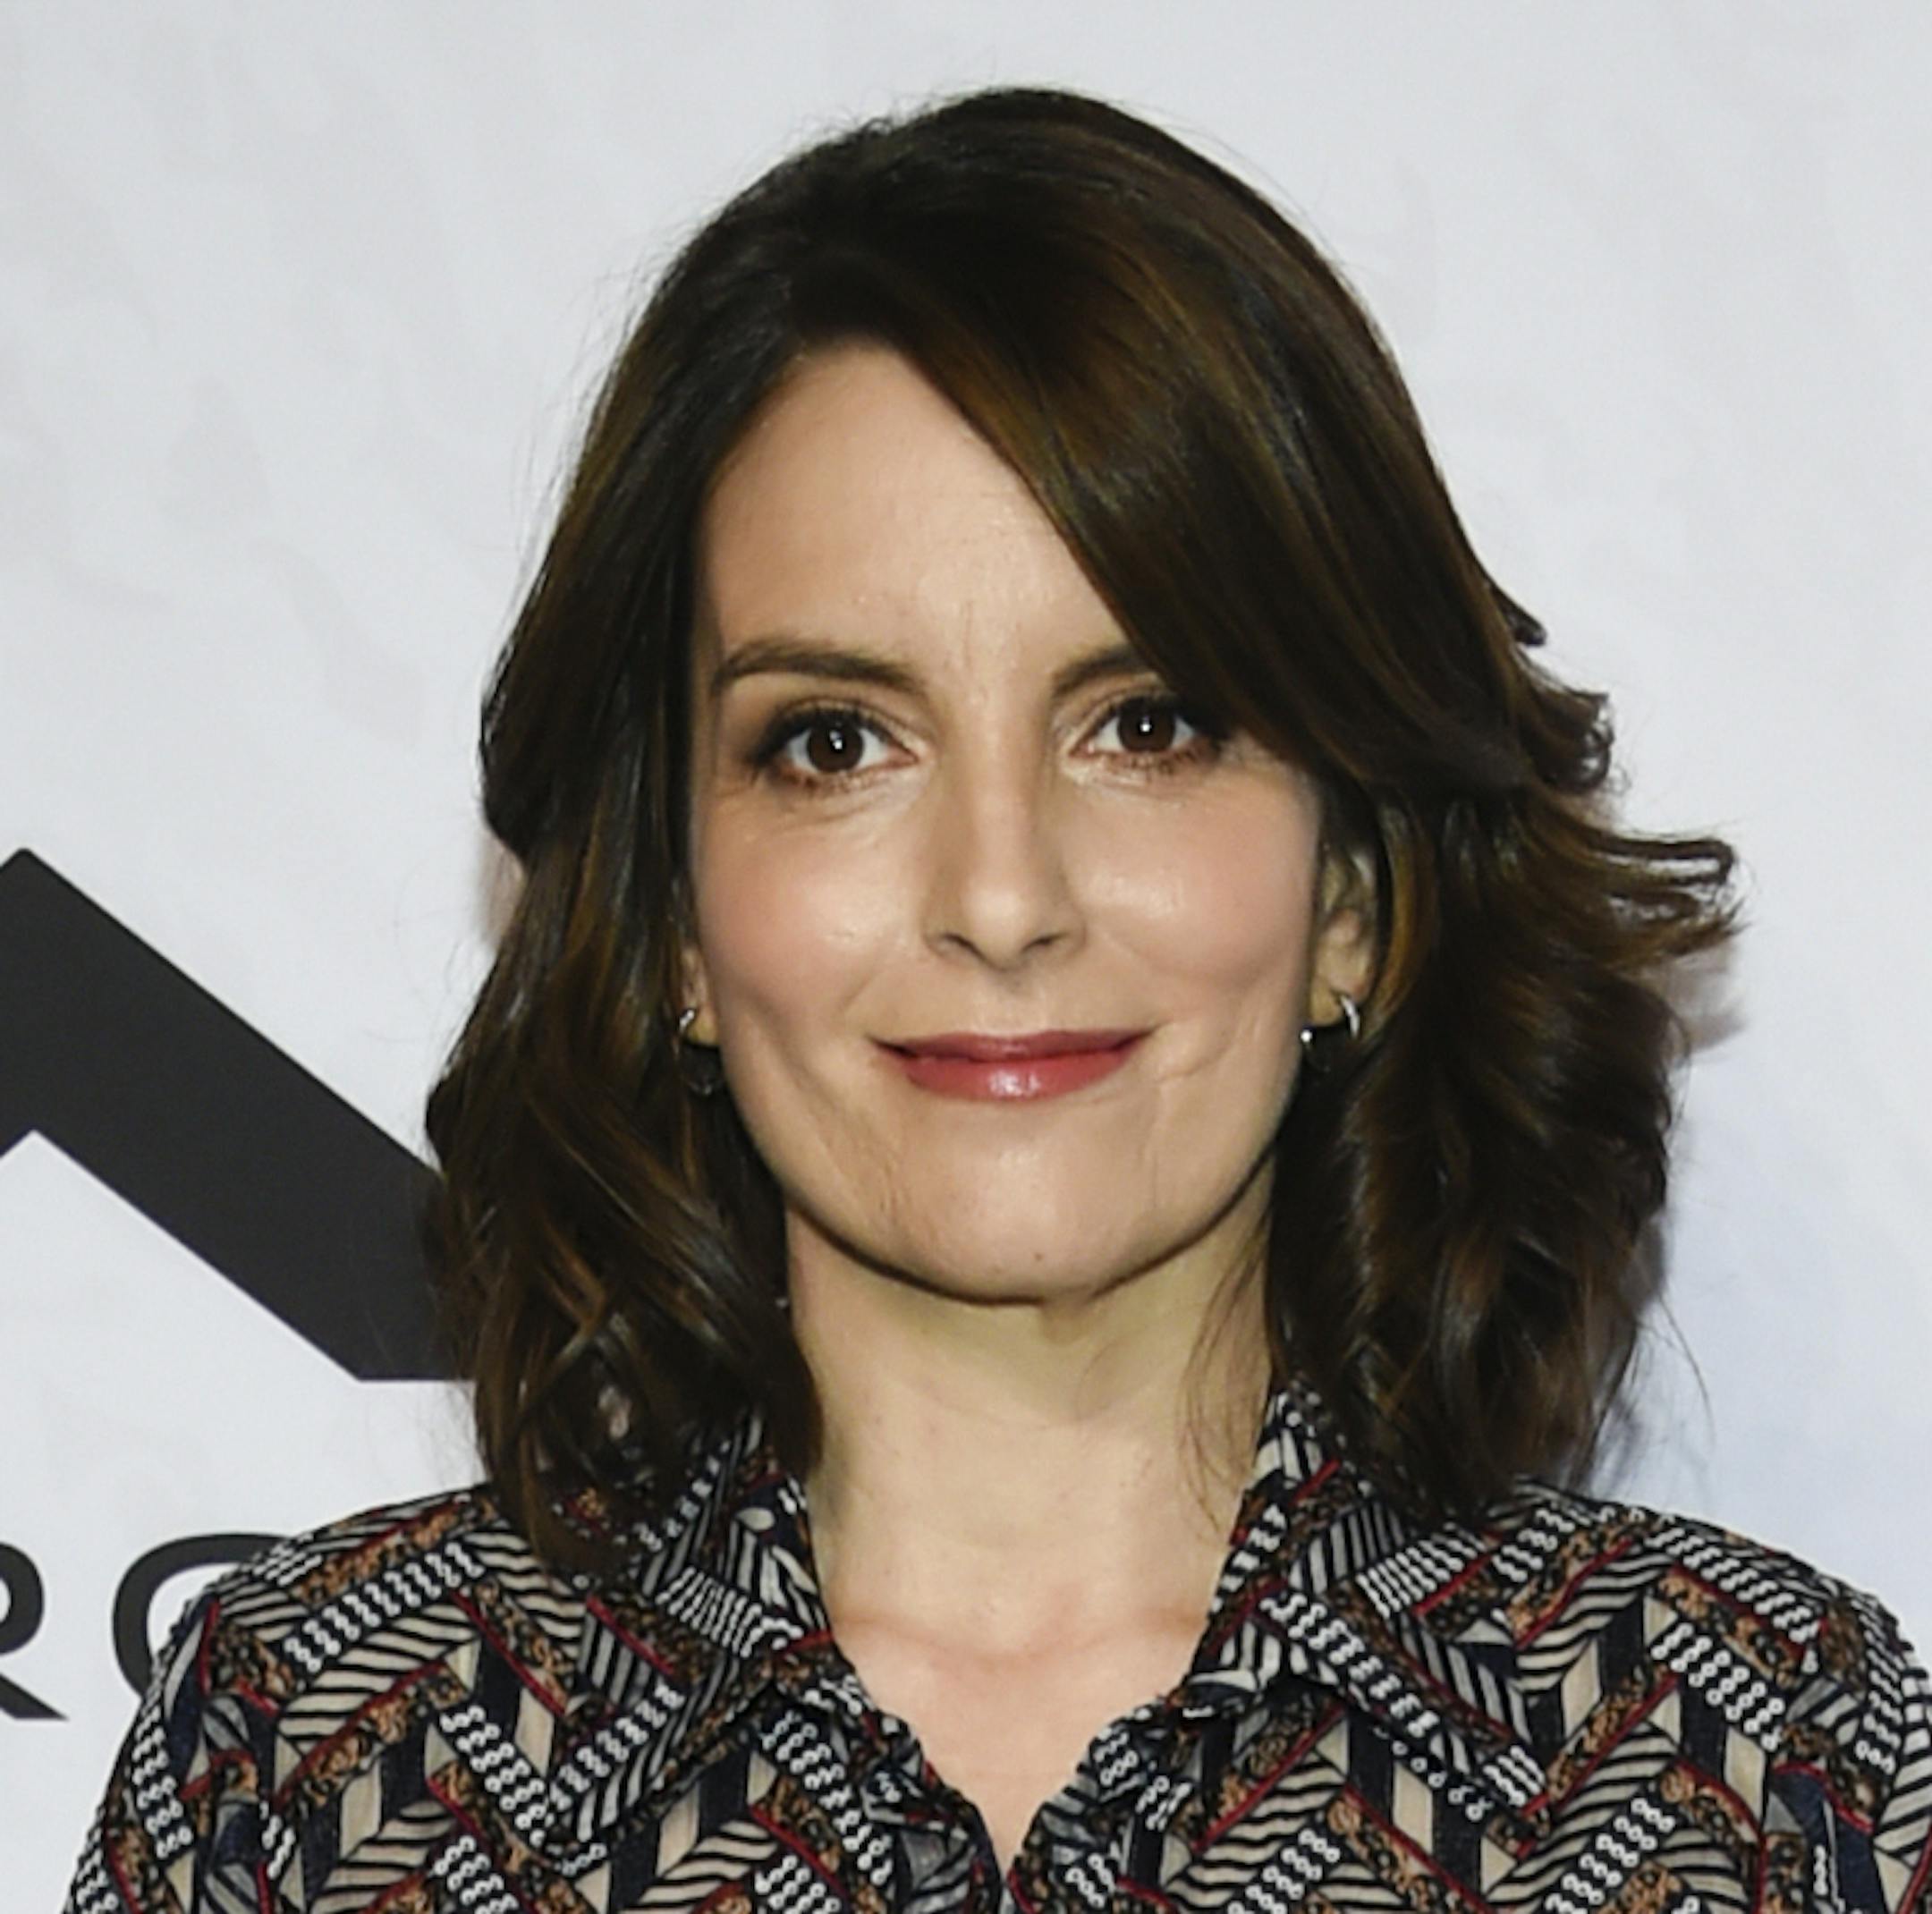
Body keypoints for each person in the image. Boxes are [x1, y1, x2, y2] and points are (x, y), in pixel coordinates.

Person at [64, 83, 1931, 1914]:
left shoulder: (1745, 1760)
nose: (1002, 895)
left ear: (1351, 895)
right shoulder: (324, 1749)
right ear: (678, 924)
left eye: (1150, 722)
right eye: (834, 740)